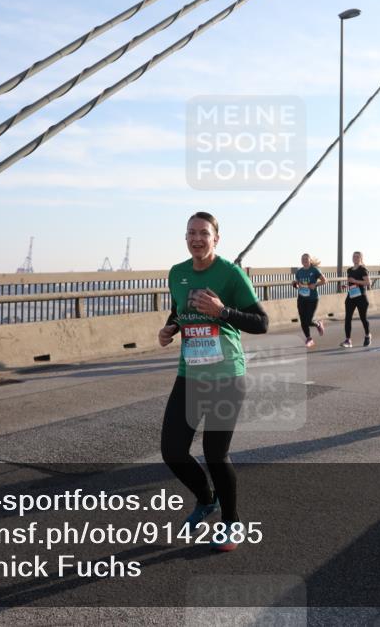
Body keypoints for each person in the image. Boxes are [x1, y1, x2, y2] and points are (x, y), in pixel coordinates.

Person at [158, 211, 268, 552]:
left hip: (226, 375)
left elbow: (261, 323)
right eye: (191, 232)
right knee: (172, 451)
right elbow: (180, 310)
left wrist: (223, 311)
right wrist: (171, 328)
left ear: (216, 239)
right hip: (190, 374)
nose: (197, 238)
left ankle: (232, 524)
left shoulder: (231, 274)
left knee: (214, 453)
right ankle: (206, 499)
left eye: (204, 233)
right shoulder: (177, 273)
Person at [293, 253, 326, 348]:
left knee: (308, 320)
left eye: (306, 259)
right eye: (302, 259)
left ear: (310, 260)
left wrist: (315, 285)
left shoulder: (314, 270)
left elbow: (324, 280)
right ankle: (309, 339)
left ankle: (318, 323)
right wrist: (295, 284)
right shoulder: (299, 272)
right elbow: (299, 284)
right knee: (303, 321)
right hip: (301, 298)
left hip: (312, 298)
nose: (304, 260)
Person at [341, 251, 372, 348]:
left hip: (361, 297)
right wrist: (346, 285)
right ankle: (348, 340)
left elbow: (368, 282)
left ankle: (367, 335)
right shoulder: (349, 270)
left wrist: (355, 281)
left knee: (363, 318)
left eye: (357, 257)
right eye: (354, 256)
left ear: (361, 258)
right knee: (347, 318)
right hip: (351, 296)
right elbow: (352, 283)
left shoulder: (363, 269)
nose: (355, 258)